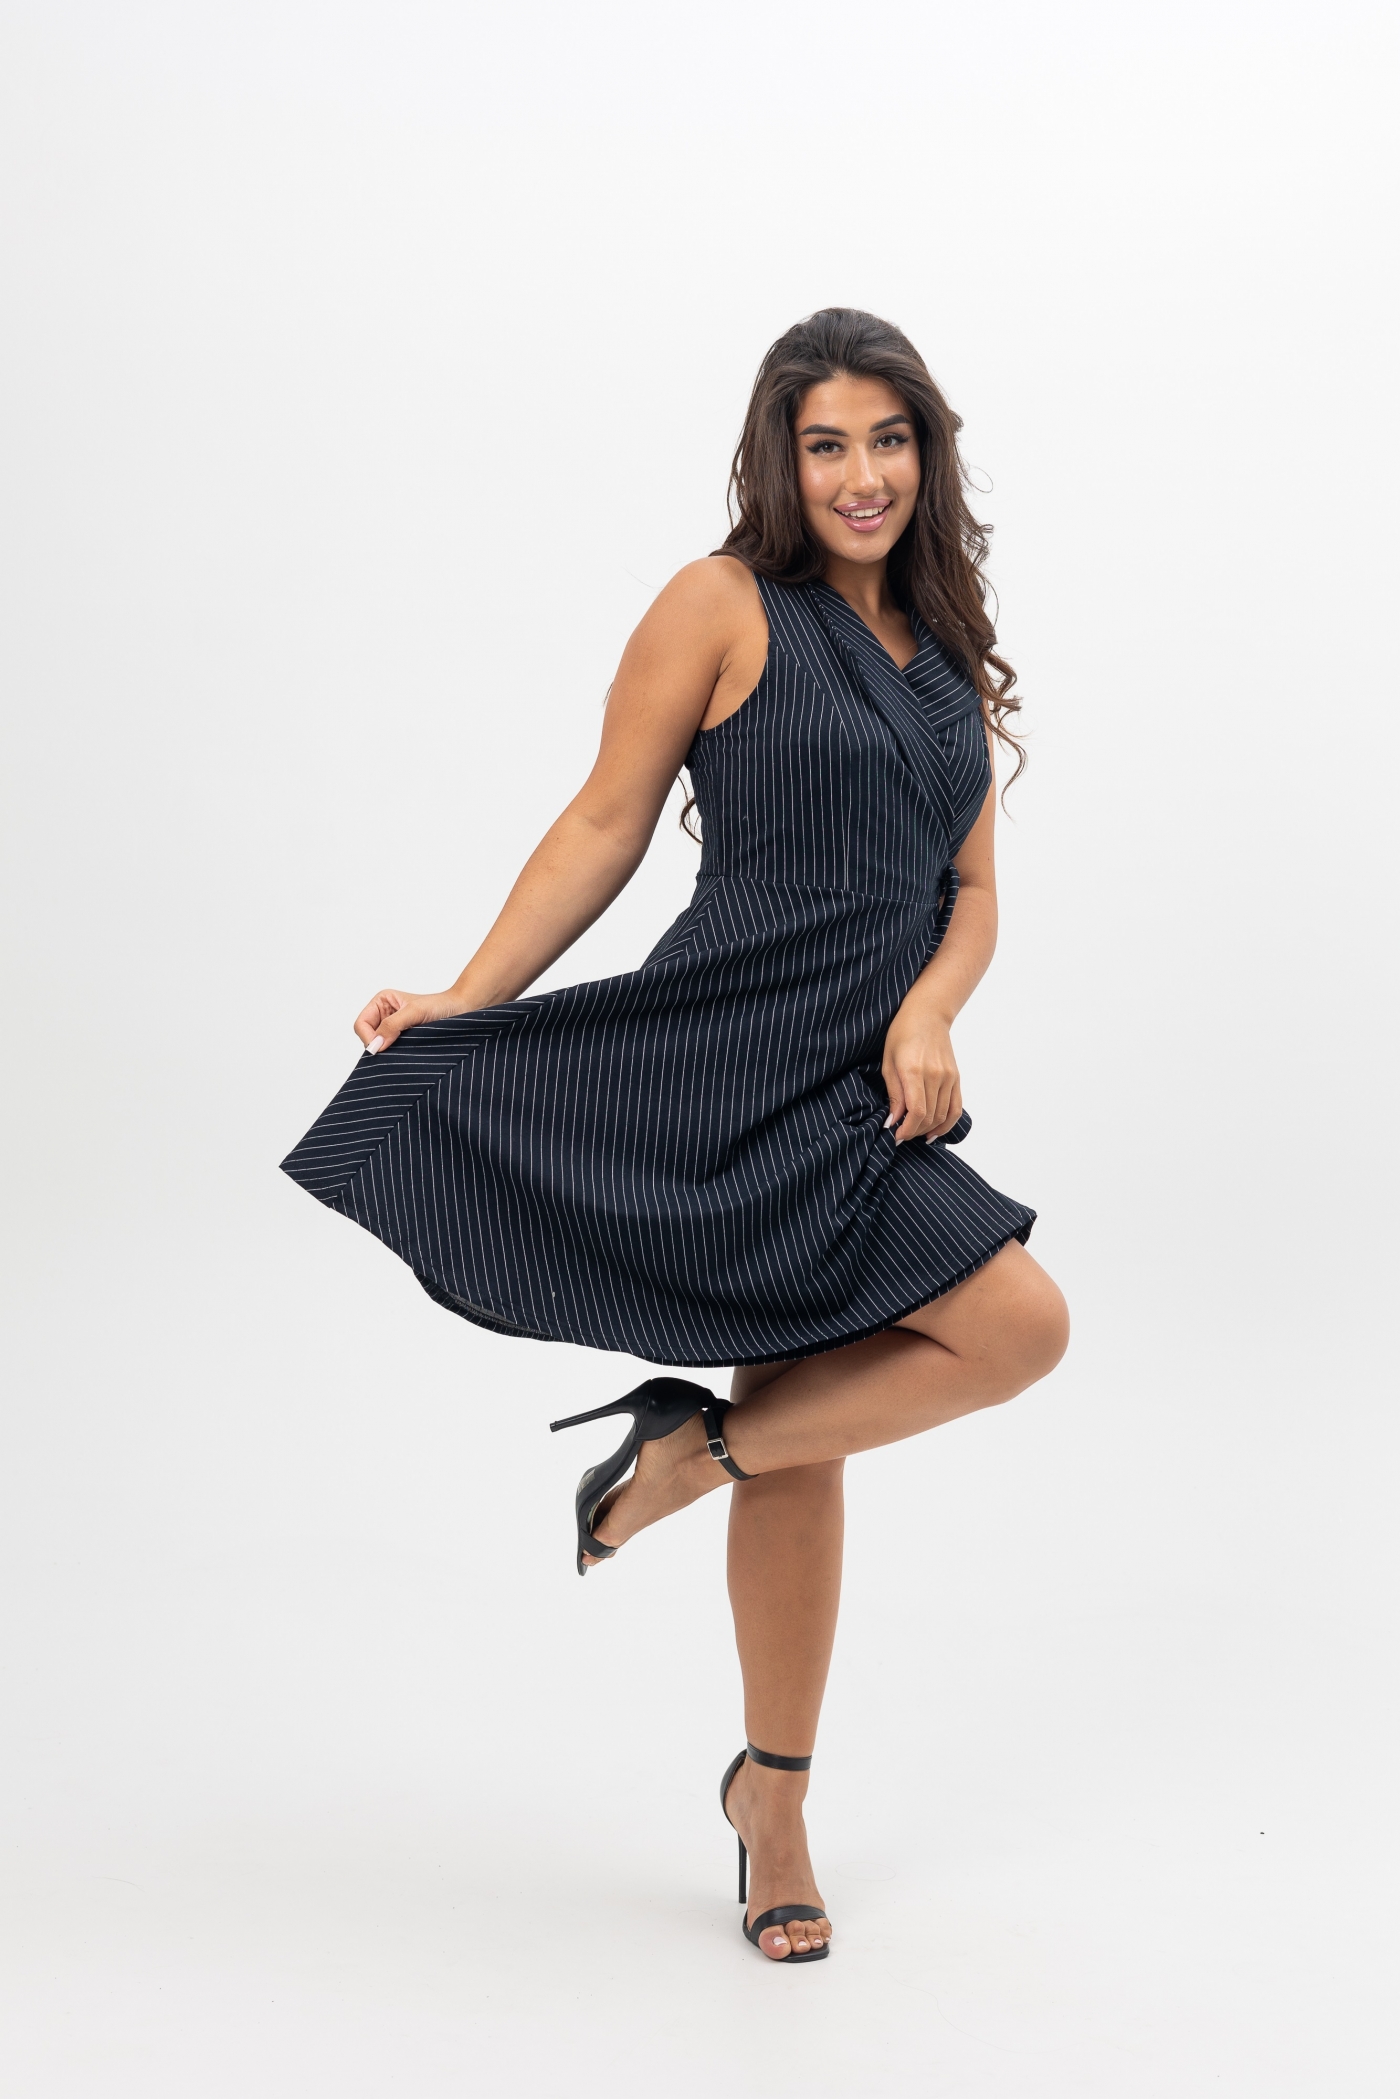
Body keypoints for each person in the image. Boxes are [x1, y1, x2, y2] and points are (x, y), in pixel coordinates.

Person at [281, 307, 1069, 1965]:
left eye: (889, 440)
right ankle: (776, 1810)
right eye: (827, 444)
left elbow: (976, 894)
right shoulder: (720, 605)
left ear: (929, 454)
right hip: (716, 1062)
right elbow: (603, 822)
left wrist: (930, 1015)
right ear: (783, 461)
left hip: (859, 1091)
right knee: (810, 1434)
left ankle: (686, 1464)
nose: (861, 475)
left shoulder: (945, 647)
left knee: (1011, 1330)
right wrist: (468, 998)